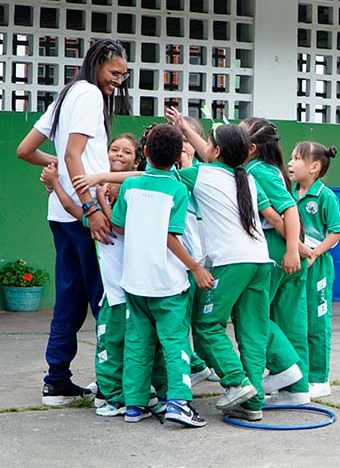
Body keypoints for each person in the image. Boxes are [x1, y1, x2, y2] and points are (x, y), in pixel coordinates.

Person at [16, 38, 131, 406]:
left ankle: (57, 382)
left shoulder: (66, 96)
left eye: (123, 76)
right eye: (114, 72)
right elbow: (73, 152)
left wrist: (62, 174)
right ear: (97, 63)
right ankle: (111, 387)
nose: (118, 81)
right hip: (84, 214)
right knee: (106, 300)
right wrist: (90, 207)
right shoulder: (90, 96)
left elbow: (26, 150)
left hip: (60, 214)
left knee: (69, 301)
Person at [173, 123, 279, 422]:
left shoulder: (201, 175)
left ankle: (236, 381)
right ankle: (253, 403)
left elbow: (151, 177)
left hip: (229, 262)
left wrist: (100, 177)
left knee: (207, 323)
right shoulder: (245, 179)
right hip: (260, 260)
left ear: (216, 151)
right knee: (253, 334)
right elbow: (211, 150)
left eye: (208, 141)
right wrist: (183, 125)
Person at [110, 124, 210, 427]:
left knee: (138, 343)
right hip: (167, 283)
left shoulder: (130, 186)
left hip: (135, 280)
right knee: (174, 341)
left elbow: (119, 226)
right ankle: (179, 401)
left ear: (145, 153)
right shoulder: (178, 189)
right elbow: (171, 236)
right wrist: (195, 266)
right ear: (179, 156)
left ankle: (134, 405)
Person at [43, 133, 139, 417]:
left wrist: (87, 190)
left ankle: (105, 384)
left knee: (96, 314)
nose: (117, 155)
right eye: (113, 150)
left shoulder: (128, 187)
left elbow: (101, 219)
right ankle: (107, 385)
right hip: (82, 234)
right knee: (97, 313)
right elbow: (78, 210)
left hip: (105, 260)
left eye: (126, 152)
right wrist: (59, 184)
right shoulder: (96, 180)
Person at [239, 117, 307, 405]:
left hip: (271, 248)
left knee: (254, 316)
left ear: (252, 147)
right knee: (260, 314)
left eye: (239, 134)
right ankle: (295, 385)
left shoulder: (259, 171)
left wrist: (293, 249)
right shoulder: (259, 168)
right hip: (273, 246)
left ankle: (288, 370)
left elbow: (286, 212)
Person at [289, 141, 340, 398]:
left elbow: (336, 231)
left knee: (317, 321)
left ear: (314, 167)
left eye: (296, 159)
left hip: (318, 266)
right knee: (297, 321)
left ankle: (319, 379)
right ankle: (298, 375)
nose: (290, 163)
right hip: (296, 265)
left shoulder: (325, 197)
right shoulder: (289, 193)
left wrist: (315, 253)